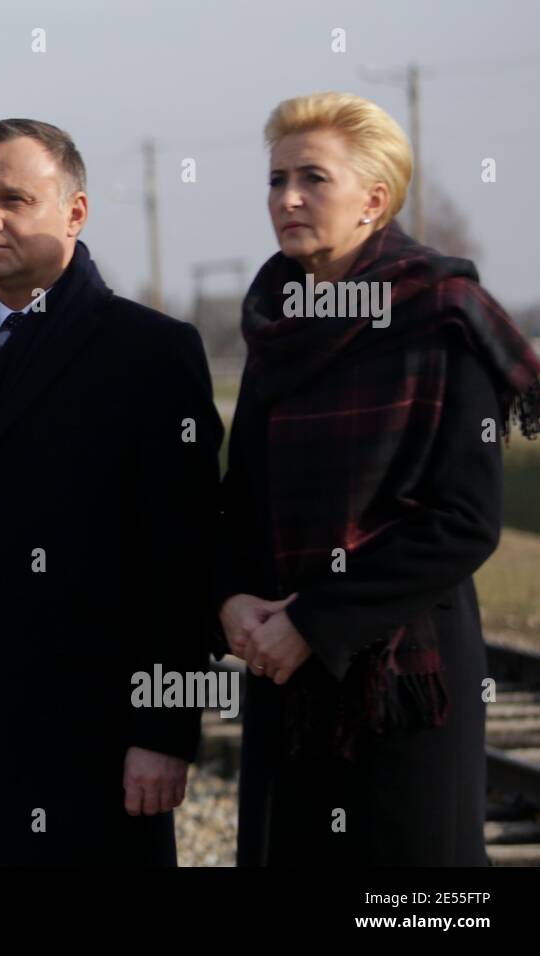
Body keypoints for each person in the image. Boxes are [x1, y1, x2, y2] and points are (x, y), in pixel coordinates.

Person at [0, 120, 224, 865]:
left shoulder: (151, 353)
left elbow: (181, 561)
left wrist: (165, 732)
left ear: (75, 212)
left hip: (93, 753)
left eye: (12, 199)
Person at [216, 91, 540, 866]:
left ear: (374, 199)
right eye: (275, 179)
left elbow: (462, 520)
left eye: (312, 178)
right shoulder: (274, 321)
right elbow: (241, 502)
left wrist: (314, 623)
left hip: (403, 679)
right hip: (284, 677)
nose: (286, 198)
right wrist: (229, 601)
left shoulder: (441, 314)